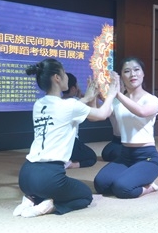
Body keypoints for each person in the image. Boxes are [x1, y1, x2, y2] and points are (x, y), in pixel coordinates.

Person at [15, 58, 118, 218]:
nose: (67, 77)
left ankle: (31, 199)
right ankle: (51, 205)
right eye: (64, 73)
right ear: (57, 77)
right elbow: (102, 114)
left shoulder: (38, 104)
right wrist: (111, 95)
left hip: (25, 177)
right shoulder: (70, 105)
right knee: (85, 196)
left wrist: (88, 98)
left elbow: (66, 110)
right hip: (49, 177)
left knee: (51, 189)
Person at [94, 57, 158, 198]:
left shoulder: (152, 100)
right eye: (127, 71)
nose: (133, 74)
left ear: (143, 74)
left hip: (147, 158)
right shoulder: (117, 102)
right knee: (100, 184)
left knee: (122, 188)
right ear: (121, 77)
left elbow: (141, 112)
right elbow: (98, 116)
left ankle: (149, 187)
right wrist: (92, 97)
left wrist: (117, 94)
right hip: (125, 156)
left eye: (137, 70)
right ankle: (131, 175)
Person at [61, 73, 98, 169]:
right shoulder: (76, 103)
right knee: (91, 157)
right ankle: (71, 164)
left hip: (57, 142)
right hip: (71, 143)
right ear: (73, 88)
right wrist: (92, 94)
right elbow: (95, 115)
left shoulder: (57, 101)